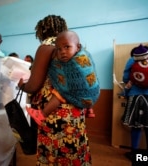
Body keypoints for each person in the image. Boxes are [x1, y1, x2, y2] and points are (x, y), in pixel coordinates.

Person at [18, 15, 92, 165]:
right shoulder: (73, 46)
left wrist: (22, 86)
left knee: (53, 153)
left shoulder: (46, 47)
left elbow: (34, 84)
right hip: (75, 107)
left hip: (55, 113)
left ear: (42, 31)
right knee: (74, 149)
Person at [26, 30, 100, 125]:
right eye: (59, 49)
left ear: (78, 47)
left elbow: (85, 75)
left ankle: (41, 115)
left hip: (89, 94)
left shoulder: (78, 61)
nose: (62, 52)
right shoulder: (81, 54)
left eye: (66, 47)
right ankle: (89, 109)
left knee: (60, 92)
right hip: (91, 97)